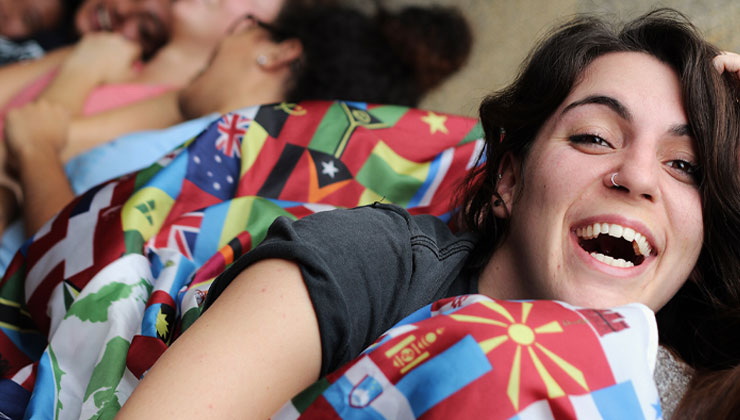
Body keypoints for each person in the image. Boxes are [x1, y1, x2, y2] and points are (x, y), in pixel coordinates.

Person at [114, 8, 740, 419]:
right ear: (509, 181)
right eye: (594, 137)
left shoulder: (687, 390)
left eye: (685, 166)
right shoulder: (368, 260)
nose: (635, 177)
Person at [0, 2, 472, 264]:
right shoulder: (239, 152)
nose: (223, 46)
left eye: (248, 26)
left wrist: (36, 150)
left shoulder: (214, 153)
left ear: (277, 52)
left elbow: (78, 262)